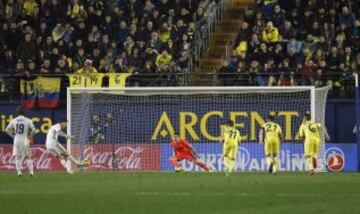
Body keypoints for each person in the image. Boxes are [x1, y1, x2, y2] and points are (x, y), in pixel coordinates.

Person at [5, 107, 35, 177]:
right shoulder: (28, 120)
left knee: (18, 157)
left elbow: (7, 130)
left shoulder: (14, 120)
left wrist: (13, 136)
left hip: (17, 139)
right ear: (24, 113)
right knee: (28, 157)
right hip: (25, 139)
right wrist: (30, 136)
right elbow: (33, 130)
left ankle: (19, 172)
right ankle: (31, 172)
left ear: (17, 113)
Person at [299, 112, 330, 176]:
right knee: (314, 153)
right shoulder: (315, 123)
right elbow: (322, 126)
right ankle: (314, 158)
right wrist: (327, 134)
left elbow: (301, 136)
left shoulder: (303, 125)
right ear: (310, 118)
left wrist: (303, 141)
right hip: (317, 140)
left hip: (309, 141)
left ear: (304, 118)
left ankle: (311, 169)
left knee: (308, 156)